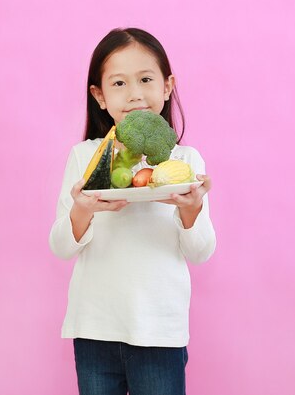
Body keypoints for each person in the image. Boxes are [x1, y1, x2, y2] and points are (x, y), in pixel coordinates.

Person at [48, 27, 216, 395]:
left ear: (167, 86)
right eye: (119, 83)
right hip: (94, 327)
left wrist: (191, 209)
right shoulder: (84, 158)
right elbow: (61, 247)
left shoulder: (185, 162)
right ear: (100, 95)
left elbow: (201, 252)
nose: (135, 94)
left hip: (160, 329)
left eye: (145, 79)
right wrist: (83, 209)